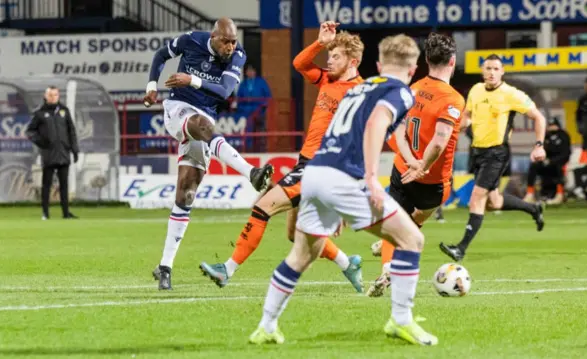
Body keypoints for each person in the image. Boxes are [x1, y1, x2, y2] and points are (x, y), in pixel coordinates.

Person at [248, 34, 438, 346]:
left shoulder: (360, 88)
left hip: (316, 171)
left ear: (378, 64)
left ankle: (266, 325)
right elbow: (378, 122)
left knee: (301, 254)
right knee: (412, 239)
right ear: (413, 68)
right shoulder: (399, 90)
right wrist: (370, 179)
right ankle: (400, 321)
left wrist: (332, 199)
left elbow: (338, 130)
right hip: (345, 177)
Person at [200, 22, 365, 292]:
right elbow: (299, 63)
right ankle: (349, 264)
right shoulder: (326, 79)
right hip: (307, 162)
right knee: (295, 233)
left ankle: (227, 270)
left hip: (322, 168)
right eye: (329, 55)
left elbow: (358, 143)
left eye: (336, 56)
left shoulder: (360, 94)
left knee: (264, 205)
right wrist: (321, 43)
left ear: (353, 61)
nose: (329, 60)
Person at [145, 18, 274, 290]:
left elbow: (225, 91)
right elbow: (161, 55)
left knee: (186, 193)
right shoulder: (191, 40)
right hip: (178, 108)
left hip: (204, 117)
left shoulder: (237, 56)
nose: (230, 47)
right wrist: (152, 86)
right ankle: (251, 173)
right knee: (204, 126)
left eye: (233, 41)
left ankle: (165, 266)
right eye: (225, 41)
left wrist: (191, 79)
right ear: (213, 37)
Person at [365, 33, 465, 297]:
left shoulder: (412, 89)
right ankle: (394, 257)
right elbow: (439, 142)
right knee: (417, 219)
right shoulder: (453, 99)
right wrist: (422, 165)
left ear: (426, 60)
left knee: (393, 220)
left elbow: (396, 130)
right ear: (452, 61)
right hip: (433, 180)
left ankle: (387, 267)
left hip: (401, 169)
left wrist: (409, 159)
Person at [439, 54, 547, 262]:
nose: (491, 72)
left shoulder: (511, 94)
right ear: (482, 71)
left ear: (502, 72)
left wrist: (539, 145)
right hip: (477, 152)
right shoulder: (475, 90)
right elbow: (468, 116)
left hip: (497, 153)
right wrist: (459, 125)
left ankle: (460, 248)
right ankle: (533, 208)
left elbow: (538, 117)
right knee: (493, 202)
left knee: (477, 198)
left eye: (496, 69)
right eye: (488, 68)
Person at [26, 86, 79, 220]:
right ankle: (45, 213)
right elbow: (30, 131)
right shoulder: (39, 113)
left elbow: (71, 131)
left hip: (63, 153)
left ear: (58, 96)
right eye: (50, 95)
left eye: (55, 95)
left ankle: (66, 213)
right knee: (46, 185)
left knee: (64, 185)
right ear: (46, 96)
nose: (53, 97)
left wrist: (74, 149)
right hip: (49, 154)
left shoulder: (64, 111)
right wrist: (41, 142)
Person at [523, 117, 571, 205]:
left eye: (554, 125)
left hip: (559, 162)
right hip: (546, 161)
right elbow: (542, 149)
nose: (552, 127)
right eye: (550, 125)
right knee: (534, 165)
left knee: (558, 167)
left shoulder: (564, 135)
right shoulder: (545, 136)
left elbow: (566, 153)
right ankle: (530, 194)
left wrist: (552, 161)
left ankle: (560, 195)